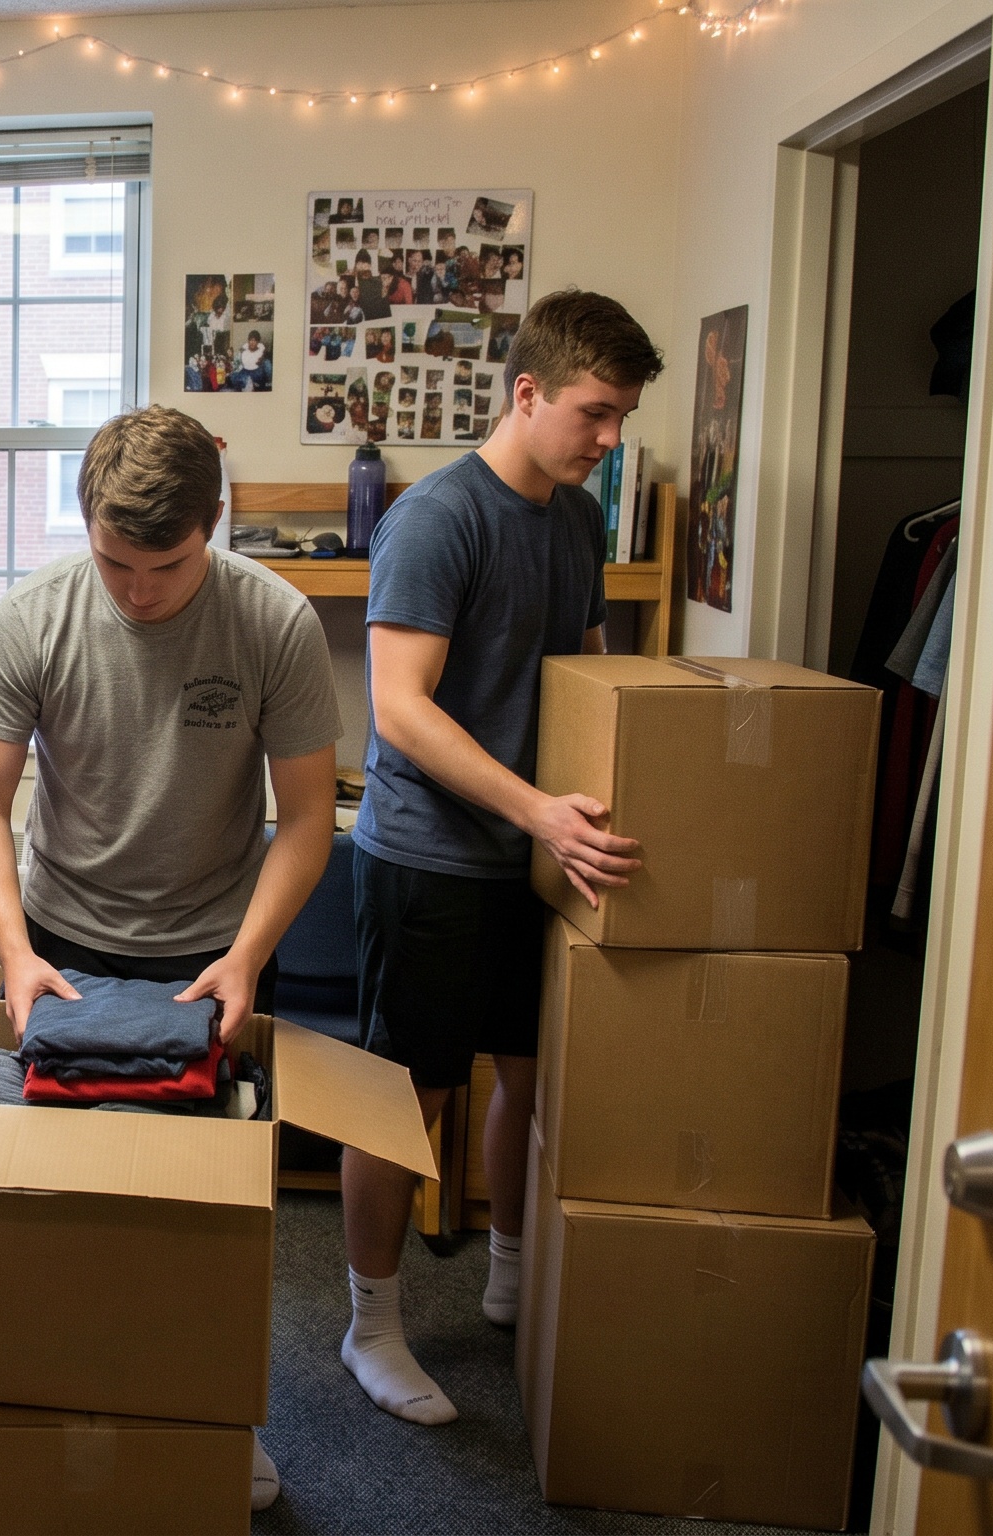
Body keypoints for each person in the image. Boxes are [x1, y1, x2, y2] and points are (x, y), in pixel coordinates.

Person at [0, 404, 343, 1512]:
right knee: (55, 1203)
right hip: (60, 945)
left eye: (163, 566)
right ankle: (54, 1411)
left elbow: (308, 817)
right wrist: (14, 955)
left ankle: (215, 1414)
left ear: (211, 528)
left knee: (201, 1218)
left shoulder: (274, 622)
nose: (135, 591)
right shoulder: (31, 618)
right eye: (113, 561)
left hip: (206, 953)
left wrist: (249, 958)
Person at [340, 289, 661, 1425]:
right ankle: (370, 1325)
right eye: (594, 412)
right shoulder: (436, 519)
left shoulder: (576, 520)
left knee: (534, 1080)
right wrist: (536, 811)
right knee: (406, 1098)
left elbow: (584, 673)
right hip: (430, 858)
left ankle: (514, 1282)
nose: (609, 437)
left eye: (621, 416)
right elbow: (399, 711)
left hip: (539, 853)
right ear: (526, 394)